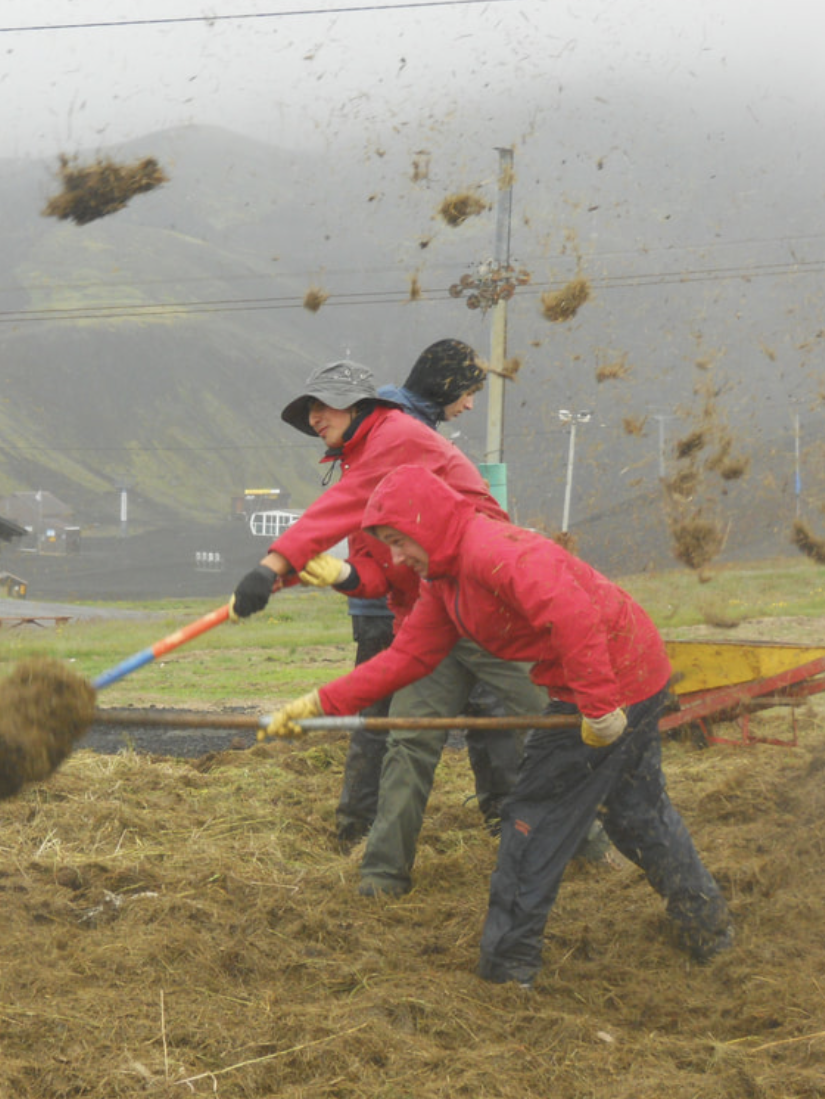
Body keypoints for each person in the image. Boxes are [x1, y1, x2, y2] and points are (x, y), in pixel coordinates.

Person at [265, 463, 733, 986]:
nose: (397, 558)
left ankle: (508, 970)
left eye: (399, 541)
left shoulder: (494, 553)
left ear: (428, 522)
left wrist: (599, 708)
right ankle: (707, 928)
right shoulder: (444, 582)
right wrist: (315, 704)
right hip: (632, 672)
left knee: (532, 820)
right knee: (635, 810)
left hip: (612, 680)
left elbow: (573, 614)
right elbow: (407, 659)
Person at [231, 359, 551, 897]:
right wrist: (333, 575)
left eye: (323, 404)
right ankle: (381, 879)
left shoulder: (398, 437)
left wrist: (272, 566)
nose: (313, 417)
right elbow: (380, 572)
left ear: (359, 406)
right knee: (408, 741)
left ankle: (587, 846)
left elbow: (334, 511)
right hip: (430, 612)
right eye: (308, 408)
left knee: (549, 723)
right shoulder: (359, 466)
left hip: (485, 602)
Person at [335, 339, 520, 848]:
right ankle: (501, 816)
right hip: (403, 596)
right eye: (467, 392)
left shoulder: (395, 424)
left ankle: (359, 825)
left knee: (387, 709)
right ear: (445, 385)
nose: (470, 405)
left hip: (404, 593)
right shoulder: (404, 434)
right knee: (480, 703)